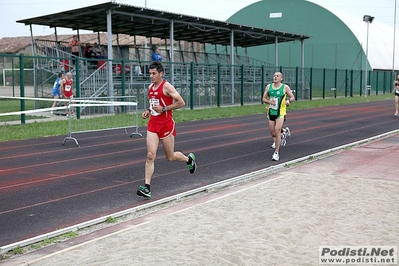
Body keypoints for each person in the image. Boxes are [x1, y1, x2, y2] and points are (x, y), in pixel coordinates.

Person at [137, 61, 197, 198]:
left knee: (170, 157)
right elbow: (153, 103)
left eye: (154, 74)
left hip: (166, 124)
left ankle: (189, 160)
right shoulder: (150, 87)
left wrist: (164, 109)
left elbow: (181, 102)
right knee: (150, 155)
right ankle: (146, 187)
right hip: (153, 124)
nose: (151, 76)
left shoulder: (167, 87)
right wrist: (148, 110)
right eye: (150, 74)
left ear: (161, 73)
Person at [262, 71, 295, 161]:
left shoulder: (285, 87)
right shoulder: (269, 87)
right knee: (273, 133)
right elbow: (264, 99)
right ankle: (284, 132)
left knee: (277, 131)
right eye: (274, 76)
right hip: (271, 111)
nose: (275, 77)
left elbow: (292, 97)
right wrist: (269, 102)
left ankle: (276, 153)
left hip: (281, 112)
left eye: (277, 76)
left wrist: (288, 101)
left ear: (281, 78)